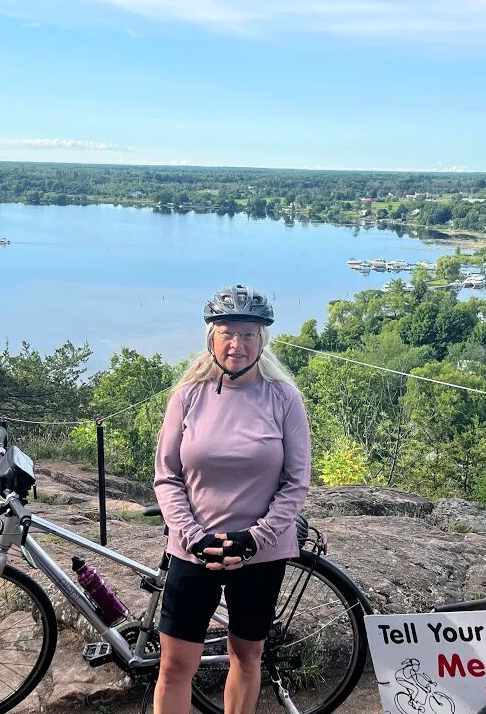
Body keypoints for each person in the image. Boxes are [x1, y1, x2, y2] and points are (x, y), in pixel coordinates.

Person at [152, 284, 312, 714]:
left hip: (259, 554)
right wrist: (192, 536)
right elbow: (167, 477)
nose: (237, 344)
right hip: (193, 550)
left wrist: (254, 539)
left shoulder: (284, 399)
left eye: (248, 334)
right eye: (227, 332)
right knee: (174, 665)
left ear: (262, 340)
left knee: (247, 656)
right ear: (211, 337)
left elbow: (296, 483)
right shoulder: (187, 396)